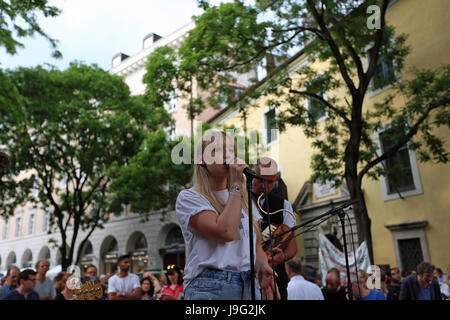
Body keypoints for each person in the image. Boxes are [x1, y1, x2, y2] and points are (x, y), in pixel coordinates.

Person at [175, 130, 278, 300]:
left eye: (231, 150)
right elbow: (225, 232)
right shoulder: (190, 197)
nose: (228, 155)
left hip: (249, 285)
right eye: (217, 149)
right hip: (210, 286)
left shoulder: (243, 198)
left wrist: (262, 265)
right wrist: (236, 184)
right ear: (201, 160)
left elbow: (255, 243)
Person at [252, 157, 297, 300]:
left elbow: (292, 247)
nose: (264, 185)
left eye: (270, 181)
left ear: (276, 179)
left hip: (275, 277)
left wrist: (283, 257)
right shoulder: (237, 198)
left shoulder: (283, 205)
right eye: (260, 179)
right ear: (252, 175)